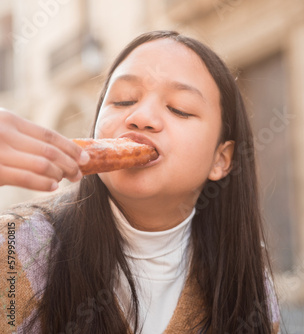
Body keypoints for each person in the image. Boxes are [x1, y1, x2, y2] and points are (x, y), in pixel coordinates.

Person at [0, 30, 280, 333]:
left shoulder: (247, 278)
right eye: (123, 101)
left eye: (179, 109)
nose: (141, 117)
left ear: (221, 159)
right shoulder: (15, 246)